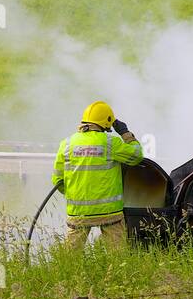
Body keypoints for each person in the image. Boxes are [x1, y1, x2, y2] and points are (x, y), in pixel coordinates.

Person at [52, 101, 143, 251]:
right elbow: (137, 156)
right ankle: (114, 275)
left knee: (69, 258)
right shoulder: (110, 142)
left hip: (78, 212)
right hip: (109, 213)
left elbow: (57, 180)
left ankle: (66, 275)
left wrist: (76, 195)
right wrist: (126, 134)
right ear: (107, 122)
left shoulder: (67, 144)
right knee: (117, 256)